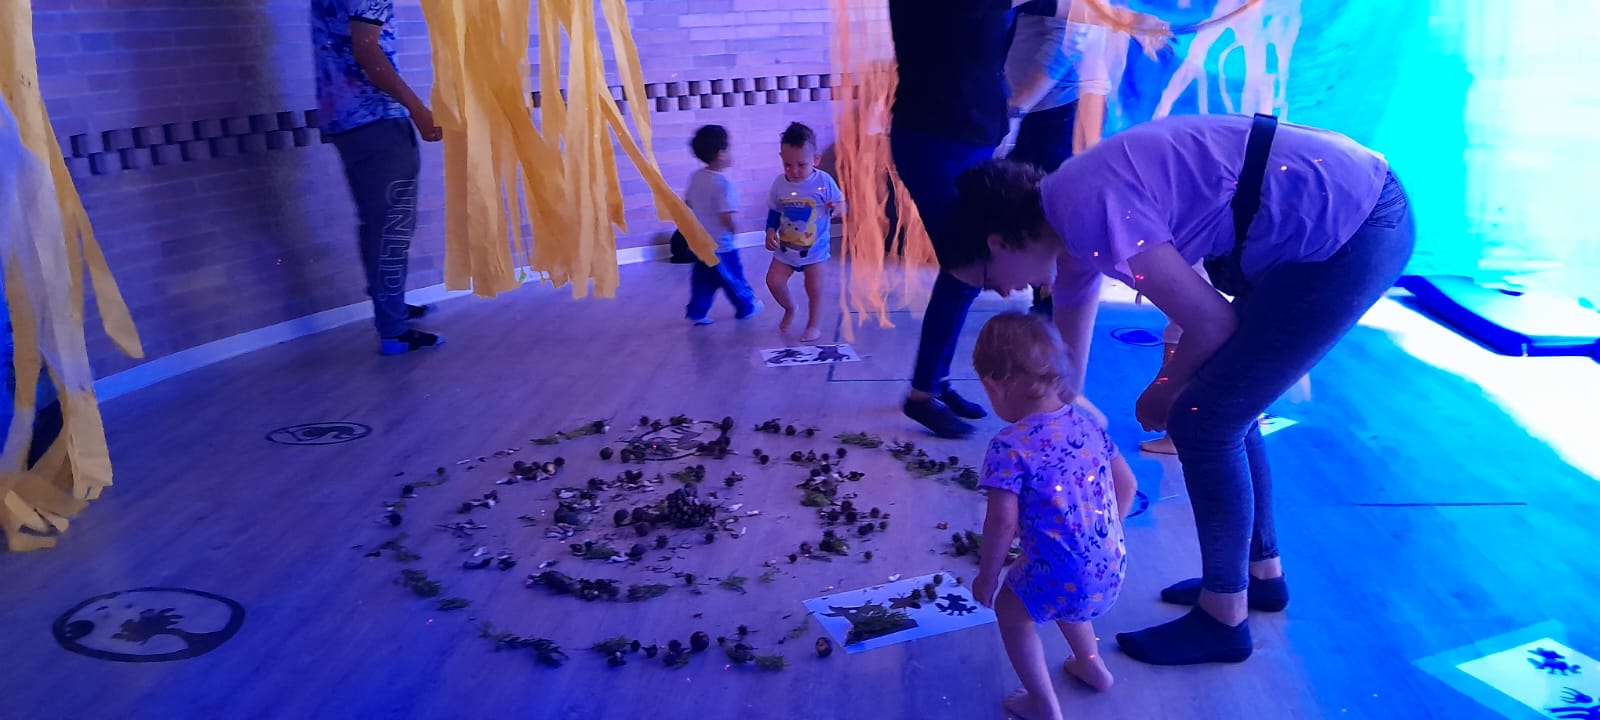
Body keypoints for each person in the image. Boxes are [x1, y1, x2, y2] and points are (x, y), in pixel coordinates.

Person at [946, 112, 1414, 665]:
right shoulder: (1067, 219)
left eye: (986, 278)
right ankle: (1257, 574)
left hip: (1352, 224)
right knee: (1230, 403)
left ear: (999, 241)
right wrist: (1060, 424)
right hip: (1344, 205)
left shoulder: (1086, 210)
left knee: (1202, 417)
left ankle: (1224, 619)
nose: (1003, 291)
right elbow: (1067, 370)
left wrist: (1165, 388)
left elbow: (1213, 323)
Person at [889, 0, 1169, 437]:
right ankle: (923, 393)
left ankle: (936, 382)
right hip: (937, 140)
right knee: (965, 266)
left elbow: (1059, 10)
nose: (1008, 291)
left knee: (970, 266)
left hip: (970, 134)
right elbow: (1068, 7)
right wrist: (1134, 20)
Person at [971, 312, 1135, 720]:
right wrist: (1103, 536)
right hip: (1111, 565)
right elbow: (1127, 486)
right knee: (1063, 599)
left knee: (1013, 614)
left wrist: (988, 575)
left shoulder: (1009, 445)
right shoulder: (1088, 426)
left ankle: (1042, 704)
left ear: (994, 385)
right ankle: (1091, 664)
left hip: (1059, 573)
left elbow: (1002, 523)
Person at [312, 0, 444, 355]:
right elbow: (367, 51)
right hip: (376, 119)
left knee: (377, 223)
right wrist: (418, 109)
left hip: (342, 118)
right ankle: (394, 330)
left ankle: (392, 307)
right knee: (393, 224)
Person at [764, 123, 844, 343]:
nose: (794, 171)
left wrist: (837, 208)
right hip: (786, 249)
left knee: (815, 288)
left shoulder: (824, 181)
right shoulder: (780, 184)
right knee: (773, 281)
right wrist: (770, 230)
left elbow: (842, 203)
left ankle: (813, 325)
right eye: (788, 165)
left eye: (801, 165)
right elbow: (774, 209)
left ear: (816, 160)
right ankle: (789, 308)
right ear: (781, 157)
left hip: (815, 249)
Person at [683, 125, 762, 325]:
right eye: (729, 148)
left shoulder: (696, 177)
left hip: (700, 244)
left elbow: (688, 203)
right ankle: (746, 305)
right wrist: (733, 229)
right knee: (732, 277)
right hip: (721, 245)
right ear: (721, 154)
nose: (731, 153)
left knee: (702, 279)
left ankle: (697, 312)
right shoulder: (723, 185)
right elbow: (725, 215)